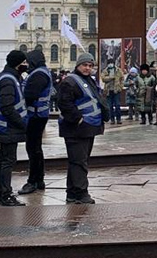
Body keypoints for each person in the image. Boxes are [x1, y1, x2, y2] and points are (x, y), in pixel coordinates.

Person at [57, 53, 106, 204]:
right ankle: (81, 192)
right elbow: (64, 103)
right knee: (79, 162)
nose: (88, 68)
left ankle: (72, 193)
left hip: (88, 127)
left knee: (78, 161)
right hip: (76, 128)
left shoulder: (88, 80)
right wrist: (78, 119)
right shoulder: (70, 82)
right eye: (85, 65)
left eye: (90, 66)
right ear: (78, 65)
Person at [0, 50, 28, 206]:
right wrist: (22, 124)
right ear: (17, 63)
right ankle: (5, 195)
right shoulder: (8, 80)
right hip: (8, 127)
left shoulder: (9, 77)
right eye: (24, 62)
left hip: (4, 126)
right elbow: (8, 107)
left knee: (3, 160)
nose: (26, 65)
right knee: (7, 161)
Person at [18, 49, 52, 195]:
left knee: (33, 149)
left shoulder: (38, 74)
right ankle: (39, 179)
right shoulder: (41, 72)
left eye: (28, 61)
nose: (26, 64)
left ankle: (33, 180)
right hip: (39, 115)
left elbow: (30, 94)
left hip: (35, 116)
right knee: (35, 148)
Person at [100, 59, 123, 125]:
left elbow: (122, 79)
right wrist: (110, 77)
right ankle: (112, 119)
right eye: (109, 63)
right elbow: (103, 78)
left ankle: (118, 119)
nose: (110, 64)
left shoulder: (118, 70)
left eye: (111, 63)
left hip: (116, 90)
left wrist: (120, 87)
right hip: (108, 91)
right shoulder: (105, 70)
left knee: (117, 105)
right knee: (110, 106)